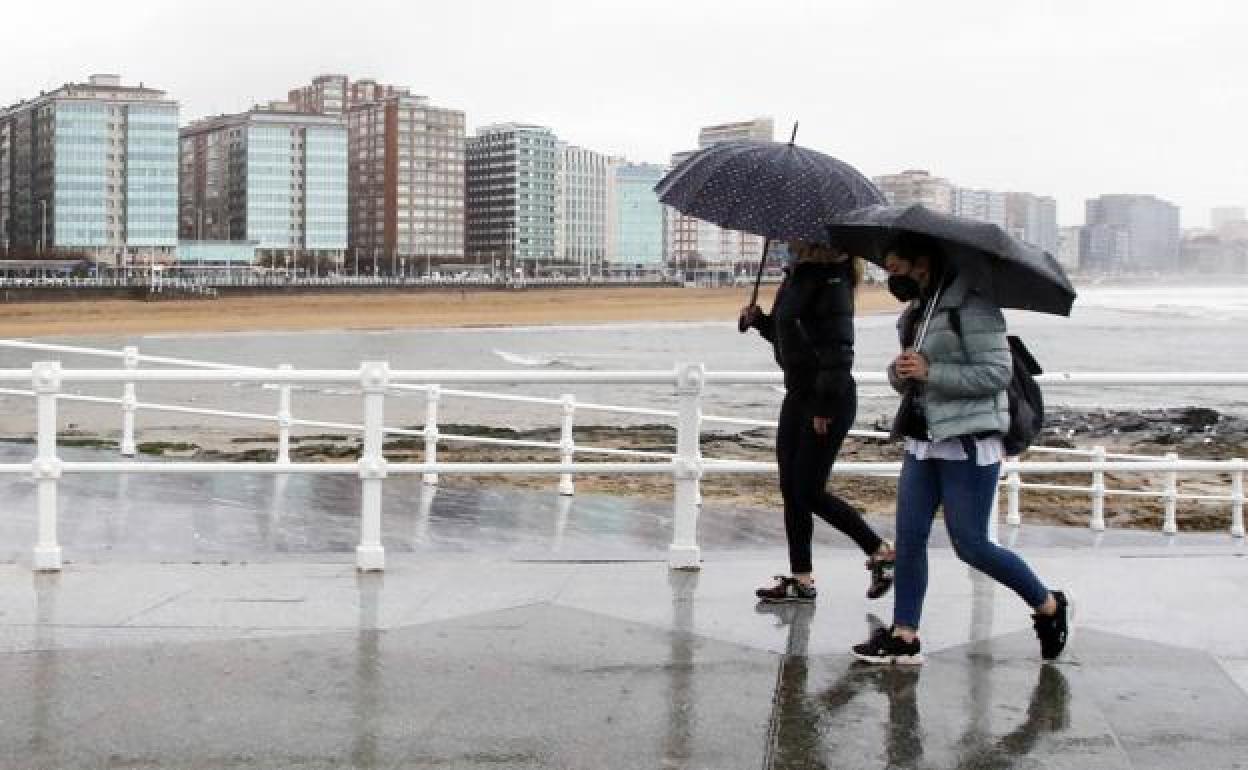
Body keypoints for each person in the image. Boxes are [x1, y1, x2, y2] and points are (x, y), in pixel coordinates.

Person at [851, 233, 1071, 665]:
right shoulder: (917, 311)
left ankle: (1048, 605)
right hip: (924, 436)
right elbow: (910, 374)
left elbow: (995, 373)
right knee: (909, 539)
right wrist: (901, 372)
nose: (891, 278)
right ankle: (904, 634)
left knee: (971, 545)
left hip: (969, 441)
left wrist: (934, 372)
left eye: (896, 269)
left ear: (923, 262)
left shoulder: (974, 306)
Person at [741, 240, 895, 604]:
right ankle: (801, 579)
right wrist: (760, 321)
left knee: (809, 490)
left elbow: (839, 351)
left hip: (829, 399)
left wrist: (824, 407)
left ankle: (879, 551)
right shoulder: (798, 278)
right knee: (790, 490)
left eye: (796, 240)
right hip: (798, 394)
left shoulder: (834, 283)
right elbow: (792, 339)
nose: (789, 244)